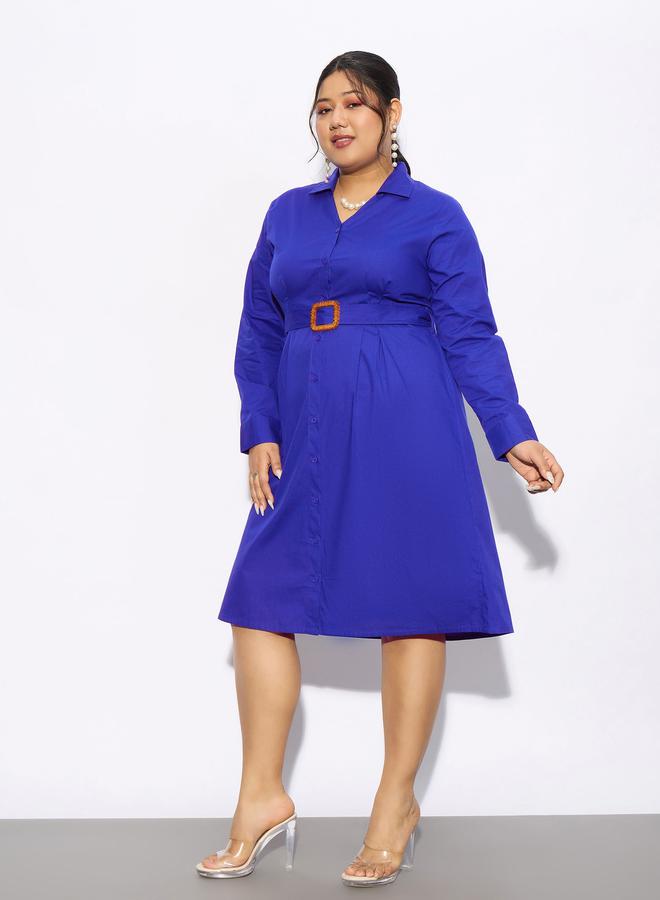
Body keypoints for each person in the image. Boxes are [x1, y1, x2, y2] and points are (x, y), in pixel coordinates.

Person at [196, 51, 564, 886]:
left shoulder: (434, 215)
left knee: (412, 602)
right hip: (304, 419)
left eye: (355, 104)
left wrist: (510, 432)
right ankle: (261, 796)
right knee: (258, 599)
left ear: (393, 114)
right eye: (324, 107)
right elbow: (258, 328)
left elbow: (470, 331)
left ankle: (396, 801)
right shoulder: (287, 214)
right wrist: (259, 428)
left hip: (407, 420)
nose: (337, 120)